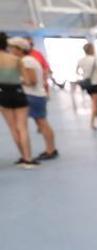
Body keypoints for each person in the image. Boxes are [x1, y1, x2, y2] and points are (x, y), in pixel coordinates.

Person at [9, 37, 57, 161]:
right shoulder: (29, 60)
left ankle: (51, 150)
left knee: (42, 123)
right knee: (41, 123)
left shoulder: (26, 61)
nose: (10, 50)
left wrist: (16, 81)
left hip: (33, 95)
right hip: (36, 95)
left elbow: (31, 81)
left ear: (19, 49)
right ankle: (50, 149)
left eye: (12, 48)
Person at [0, 34, 37, 167]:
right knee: (22, 127)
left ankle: (22, 157)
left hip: (2, 93)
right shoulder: (16, 59)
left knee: (12, 128)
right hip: (17, 92)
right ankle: (28, 158)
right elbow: (27, 81)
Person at [76, 43, 97, 129]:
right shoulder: (95, 60)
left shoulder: (81, 60)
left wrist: (85, 75)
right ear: (92, 50)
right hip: (96, 83)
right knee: (95, 104)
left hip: (88, 84)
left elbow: (77, 71)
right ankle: (92, 123)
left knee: (95, 103)